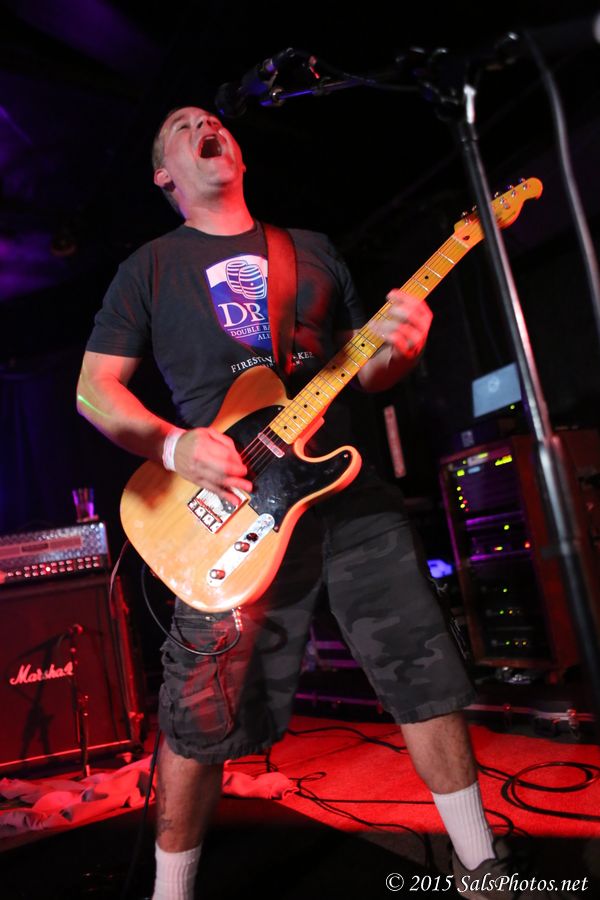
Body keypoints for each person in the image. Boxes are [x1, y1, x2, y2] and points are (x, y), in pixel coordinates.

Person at [76, 107, 544, 900]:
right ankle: (170, 893)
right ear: (164, 174)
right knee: (199, 707)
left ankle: (478, 864)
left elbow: (366, 371)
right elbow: (95, 390)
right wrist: (175, 447)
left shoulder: (312, 250)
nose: (205, 123)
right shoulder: (149, 268)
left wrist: (400, 350)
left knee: (421, 663)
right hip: (227, 507)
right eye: (184, 125)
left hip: (346, 494)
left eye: (212, 118)